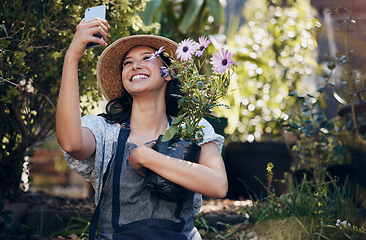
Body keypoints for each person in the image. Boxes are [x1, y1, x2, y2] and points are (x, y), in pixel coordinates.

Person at [56, 17, 228, 240]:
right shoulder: (104, 131)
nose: (135, 65)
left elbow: (218, 185)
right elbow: (71, 143)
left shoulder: (192, 127)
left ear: (169, 73)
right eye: (127, 63)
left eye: (147, 58)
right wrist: (72, 57)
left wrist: (146, 157)